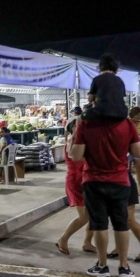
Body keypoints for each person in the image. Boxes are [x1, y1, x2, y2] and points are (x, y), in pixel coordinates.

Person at [70, 104, 140, 277]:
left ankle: (102, 266)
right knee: (121, 224)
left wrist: (78, 131)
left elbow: (76, 156)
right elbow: (138, 152)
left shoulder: (86, 124)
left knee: (99, 224)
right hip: (119, 181)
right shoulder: (127, 124)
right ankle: (124, 267)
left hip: (94, 182)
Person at [56, 109, 96, 256]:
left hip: (86, 179)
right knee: (84, 216)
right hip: (76, 181)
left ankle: (87, 243)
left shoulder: (82, 141)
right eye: (78, 125)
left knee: (94, 214)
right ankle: (63, 239)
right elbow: (77, 158)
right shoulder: (72, 140)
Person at [106, 170, 140, 262]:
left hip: (124, 183)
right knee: (117, 219)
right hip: (113, 183)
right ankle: (119, 248)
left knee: (129, 219)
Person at [81, 54, 128, 121]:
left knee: (81, 117)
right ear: (116, 68)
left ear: (100, 67)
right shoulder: (120, 80)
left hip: (102, 113)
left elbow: (90, 99)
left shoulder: (97, 79)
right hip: (121, 115)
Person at [128, 107, 140, 197]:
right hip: (127, 149)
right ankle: (128, 189)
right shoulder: (126, 123)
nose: (139, 117)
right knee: (126, 170)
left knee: (139, 169)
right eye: (137, 115)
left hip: (138, 148)